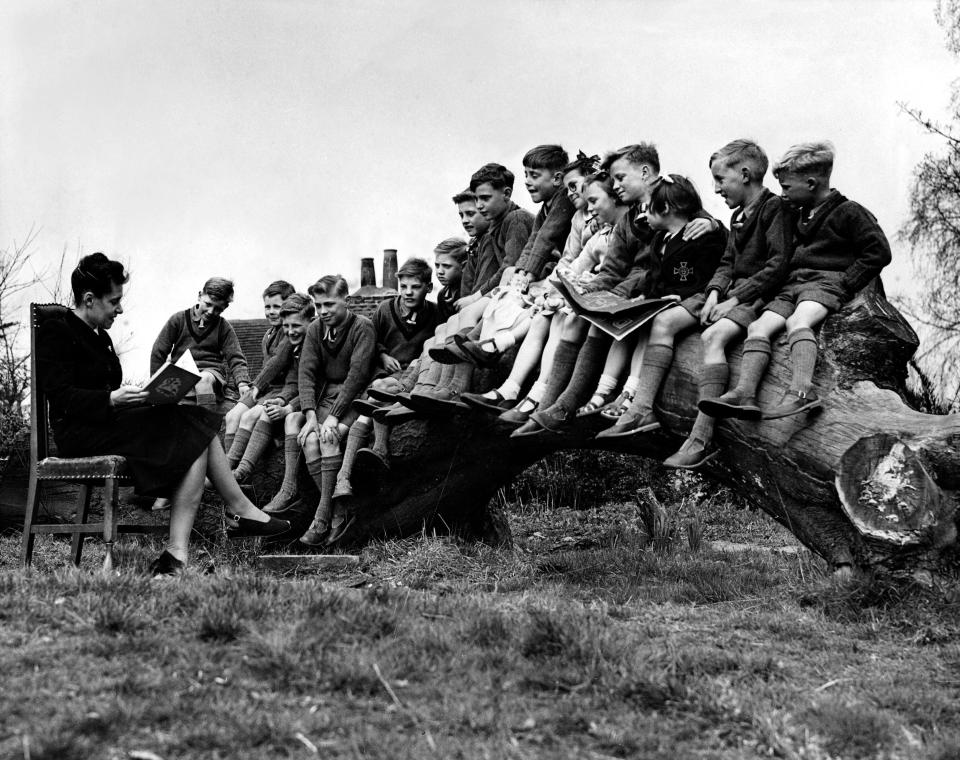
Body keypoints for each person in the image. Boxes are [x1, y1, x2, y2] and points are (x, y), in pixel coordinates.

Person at [36, 254, 288, 576]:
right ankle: (236, 512)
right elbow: (61, 397)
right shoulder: (57, 330)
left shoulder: (101, 336)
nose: (120, 309)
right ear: (89, 299)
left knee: (191, 422)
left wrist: (139, 397)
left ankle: (178, 554)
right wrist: (112, 398)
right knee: (189, 426)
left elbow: (103, 392)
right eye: (114, 301)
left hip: (107, 424)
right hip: (80, 435)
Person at [513, 143, 718, 436]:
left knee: (607, 321)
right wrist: (587, 294)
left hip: (677, 291)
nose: (616, 185)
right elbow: (612, 269)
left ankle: (586, 399)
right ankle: (556, 403)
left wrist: (708, 223)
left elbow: (703, 225)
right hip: (639, 291)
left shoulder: (671, 199)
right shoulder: (630, 219)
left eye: (621, 178)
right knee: (578, 316)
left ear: (645, 172)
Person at [700, 141, 892, 421]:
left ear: (811, 183)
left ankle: (803, 391)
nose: (782, 194)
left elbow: (879, 252)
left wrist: (847, 284)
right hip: (793, 286)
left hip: (824, 285)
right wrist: (712, 224)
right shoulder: (798, 212)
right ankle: (745, 393)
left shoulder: (849, 211)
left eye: (787, 187)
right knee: (758, 327)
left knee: (797, 323)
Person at [660, 139, 790, 468]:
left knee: (712, 337)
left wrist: (734, 299)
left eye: (721, 179)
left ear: (745, 175)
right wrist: (716, 293)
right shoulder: (736, 218)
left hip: (762, 295)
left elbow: (777, 265)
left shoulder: (774, 210)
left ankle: (701, 439)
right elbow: (727, 263)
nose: (716, 189)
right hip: (736, 294)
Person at [595, 174, 727, 438]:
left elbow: (697, 276)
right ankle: (611, 391)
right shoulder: (660, 239)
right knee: (631, 320)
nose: (643, 215)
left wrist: (674, 295)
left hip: (697, 297)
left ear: (665, 209)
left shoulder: (700, 237)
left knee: (657, 322)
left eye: (648, 207)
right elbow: (656, 276)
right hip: (669, 298)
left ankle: (639, 403)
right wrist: (644, 297)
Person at [266, 275, 377, 546]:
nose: (323, 311)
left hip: (356, 398)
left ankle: (324, 518)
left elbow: (357, 376)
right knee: (310, 439)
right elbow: (306, 374)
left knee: (328, 438)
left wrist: (334, 417)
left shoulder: (362, 327)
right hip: (326, 398)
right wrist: (312, 417)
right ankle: (336, 510)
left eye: (329, 304)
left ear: (346, 301)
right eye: (318, 306)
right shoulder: (316, 329)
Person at [333, 258, 439, 508]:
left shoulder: (435, 313)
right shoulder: (384, 309)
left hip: (415, 376)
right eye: (404, 286)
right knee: (379, 391)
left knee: (376, 397)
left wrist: (418, 363)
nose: (408, 292)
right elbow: (371, 340)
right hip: (386, 373)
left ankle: (349, 472)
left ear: (428, 288)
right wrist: (382, 354)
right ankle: (370, 456)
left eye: (415, 287)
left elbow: (437, 343)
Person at [228, 293, 316, 482]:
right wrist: (278, 398)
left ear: (310, 321)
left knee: (258, 414)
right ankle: (229, 469)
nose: (290, 331)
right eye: (287, 327)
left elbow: (308, 386)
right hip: (287, 394)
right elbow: (292, 379)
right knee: (236, 414)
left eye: (295, 326)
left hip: (313, 400)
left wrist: (286, 404)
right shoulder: (287, 341)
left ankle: (239, 472)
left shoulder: (312, 345)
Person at [149, 276, 251, 410]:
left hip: (210, 373)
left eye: (218, 309)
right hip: (181, 373)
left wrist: (242, 382)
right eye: (208, 304)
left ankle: (205, 420)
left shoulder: (223, 327)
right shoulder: (178, 320)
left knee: (203, 379)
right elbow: (159, 351)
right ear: (199, 296)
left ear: (225, 307)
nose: (211, 312)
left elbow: (236, 358)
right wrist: (156, 383)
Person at [224, 279, 296, 461]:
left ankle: (234, 468)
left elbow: (277, 362)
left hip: (281, 389)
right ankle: (226, 466)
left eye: (277, 307)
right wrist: (253, 387)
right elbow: (266, 366)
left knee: (249, 416)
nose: (271, 312)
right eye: (267, 307)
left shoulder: (290, 333)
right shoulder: (268, 334)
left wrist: (256, 387)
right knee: (232, 416)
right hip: (266, 388)